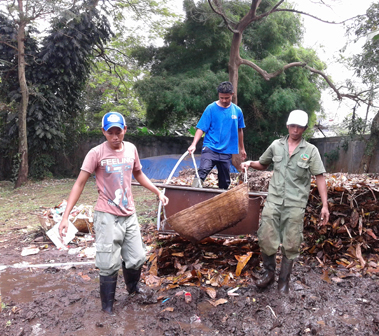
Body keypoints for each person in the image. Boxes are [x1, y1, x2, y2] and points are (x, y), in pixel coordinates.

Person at [58, 111, 169, 315]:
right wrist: (65, 217)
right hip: (106, 215)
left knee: (136, 257)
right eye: (111, 132)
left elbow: (138, 173)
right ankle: (107, 308)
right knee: (108, 264)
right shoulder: (96, 153)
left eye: (119, 131)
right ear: (104, 132)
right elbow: (79, 183)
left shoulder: (132, 149)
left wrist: (157, 191)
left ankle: (133, 290)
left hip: (129, 213)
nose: (115, 136)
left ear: (125, 130)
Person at [241, 110, 329, 295]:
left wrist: (325, 205)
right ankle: (269, 273)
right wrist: (250, 163)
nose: (295, 130)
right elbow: (263, 164)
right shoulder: (276, 145)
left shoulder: (311, 151)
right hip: (273, 200)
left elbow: (320, 177)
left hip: (295, 204)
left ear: (304, 129)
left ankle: (283, 281)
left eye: (299, 127)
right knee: (266, 236)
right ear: (287, 126)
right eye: (292, 126)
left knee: (291, 242)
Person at [188, 81, 247, 189]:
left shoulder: (237, 111)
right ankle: (193, 193)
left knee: (225, 180)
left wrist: (242, 148)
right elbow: (201, 128)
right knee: (203, 170)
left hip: (226, 151)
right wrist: (193, 144)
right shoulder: (211, 108)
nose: (224, 100)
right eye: (221, 98)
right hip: (210, 147)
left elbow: (240, 130)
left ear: (232, 95)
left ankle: (222, 200)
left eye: (227, 98)